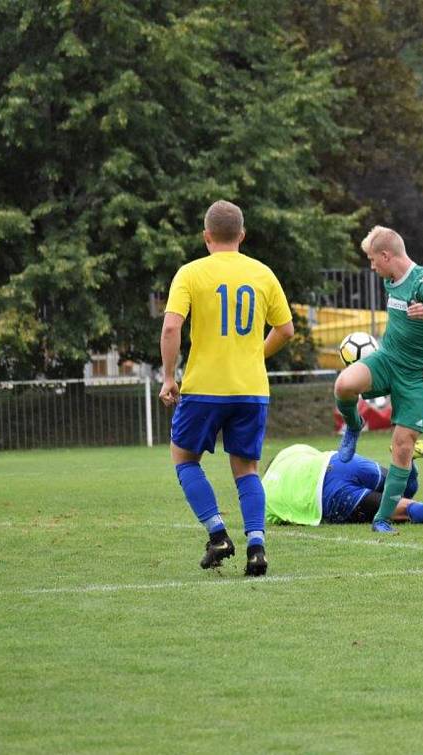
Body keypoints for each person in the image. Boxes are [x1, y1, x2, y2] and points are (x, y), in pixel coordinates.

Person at [159, 200, 294, 577]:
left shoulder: (190, 273)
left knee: (184, 458)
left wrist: (169, 378)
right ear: (242, 235)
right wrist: (255, 356)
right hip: (251, 389)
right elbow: (286, 330)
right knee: (247, 468)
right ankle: (256, 546)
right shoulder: (263, 274)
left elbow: (171, 328)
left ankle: (218, 533)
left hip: (204, 387)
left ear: (206, 237)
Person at [334, 226, 423, 534]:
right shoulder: (388, 280)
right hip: (387, 360)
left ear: (386, 255)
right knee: (344, 385)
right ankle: (354, 426)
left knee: (401, 446)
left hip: (418, 376)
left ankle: (382, 519)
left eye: (373, 259)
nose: (371, 266)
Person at [263, 442, 423, 526]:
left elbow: (278, 520)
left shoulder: (265, 495)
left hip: (328, 495)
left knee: (403, 508)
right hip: (339, 462)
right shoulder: (289, 452)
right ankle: (406, 461)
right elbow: (313, 452)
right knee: (403, 489)